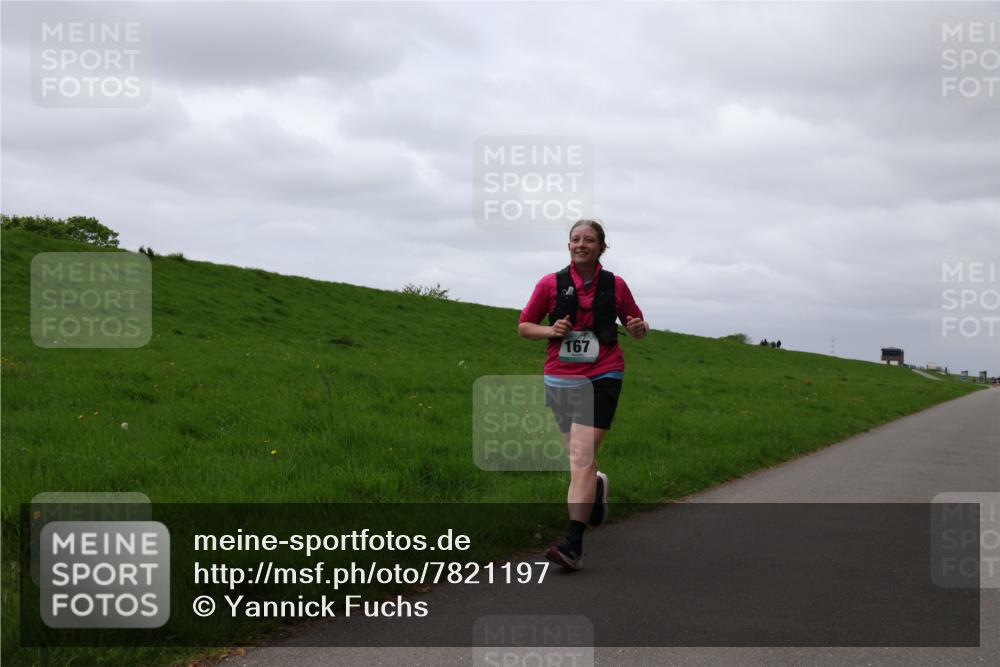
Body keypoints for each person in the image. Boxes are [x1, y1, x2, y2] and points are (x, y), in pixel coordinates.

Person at [518, 219, 649, 570]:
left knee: (580, 459)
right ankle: (597, 487)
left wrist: (639, 328)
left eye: (588, 240)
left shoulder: (616, 285)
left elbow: (637, 325)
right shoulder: (550, 283)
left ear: (601, 247)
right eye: (575, 239)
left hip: (603, 374)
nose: (581, 245)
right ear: (569, 246)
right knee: (580, 461)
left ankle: (573, 544)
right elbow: (524, 326)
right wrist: (551, 328)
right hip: (560, 379)